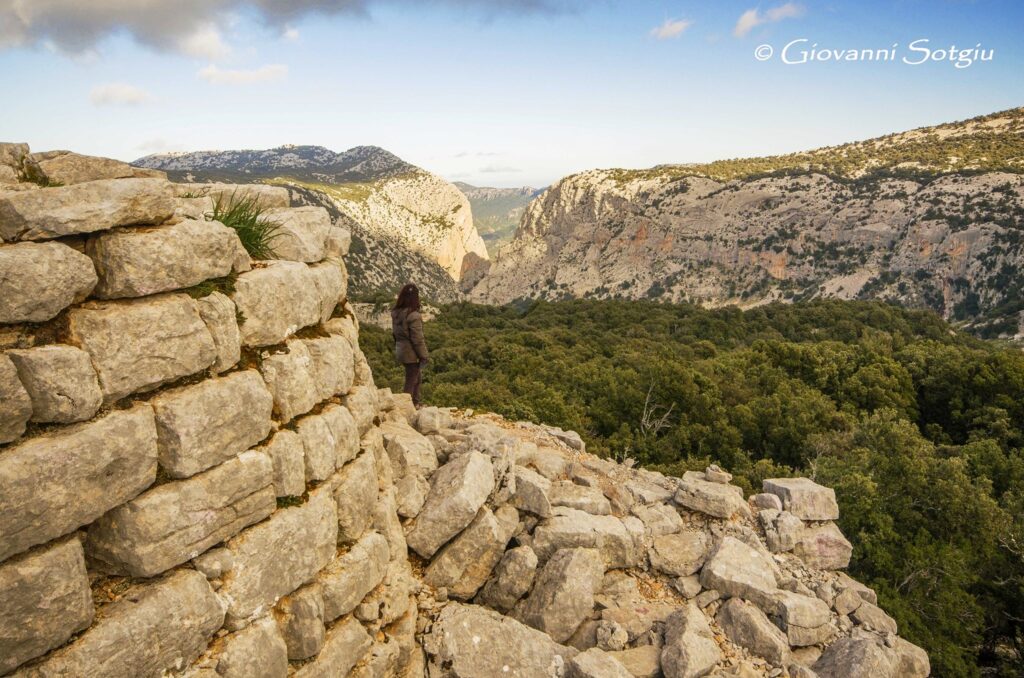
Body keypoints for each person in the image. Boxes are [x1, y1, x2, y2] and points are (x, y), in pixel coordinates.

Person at [391, 283, 429, 407]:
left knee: (416, 377)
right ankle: (407, 406)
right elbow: (417, 339)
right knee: (411, 380)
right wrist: (424, 355)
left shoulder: (396, 313)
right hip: (410, 352)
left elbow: (395, 334)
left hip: (400, 349)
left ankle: (415, 403)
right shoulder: (414, 315)